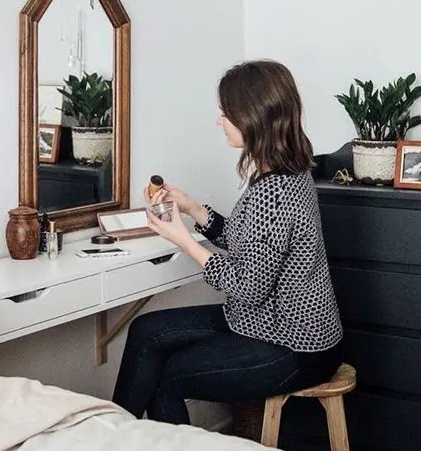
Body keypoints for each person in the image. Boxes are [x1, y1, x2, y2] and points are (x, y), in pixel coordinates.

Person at [111, 59, 344, 425]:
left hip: (294, 346)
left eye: (226, 112)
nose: (220, 120)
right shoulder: (287, 172)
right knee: (147, 331)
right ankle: (114, 435)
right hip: (263, 323)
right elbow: (248, 241)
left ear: (253, 116)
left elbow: (249, 287)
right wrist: (191, 208)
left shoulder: (275, 191)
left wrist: (184, 241)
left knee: (165, 376)